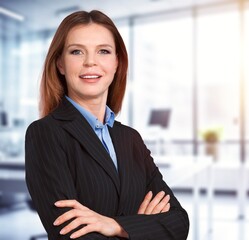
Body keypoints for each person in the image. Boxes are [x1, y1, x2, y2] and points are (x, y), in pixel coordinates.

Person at [25, 10, 189, 240]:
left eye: (103, 51)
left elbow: (179, 221)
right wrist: (140, 228)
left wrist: (115, 226)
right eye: (76, 51)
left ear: (116, 62)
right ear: (60, 64)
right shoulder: (45, 134)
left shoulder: (131, 138)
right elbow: (70, 235)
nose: (91, 61)